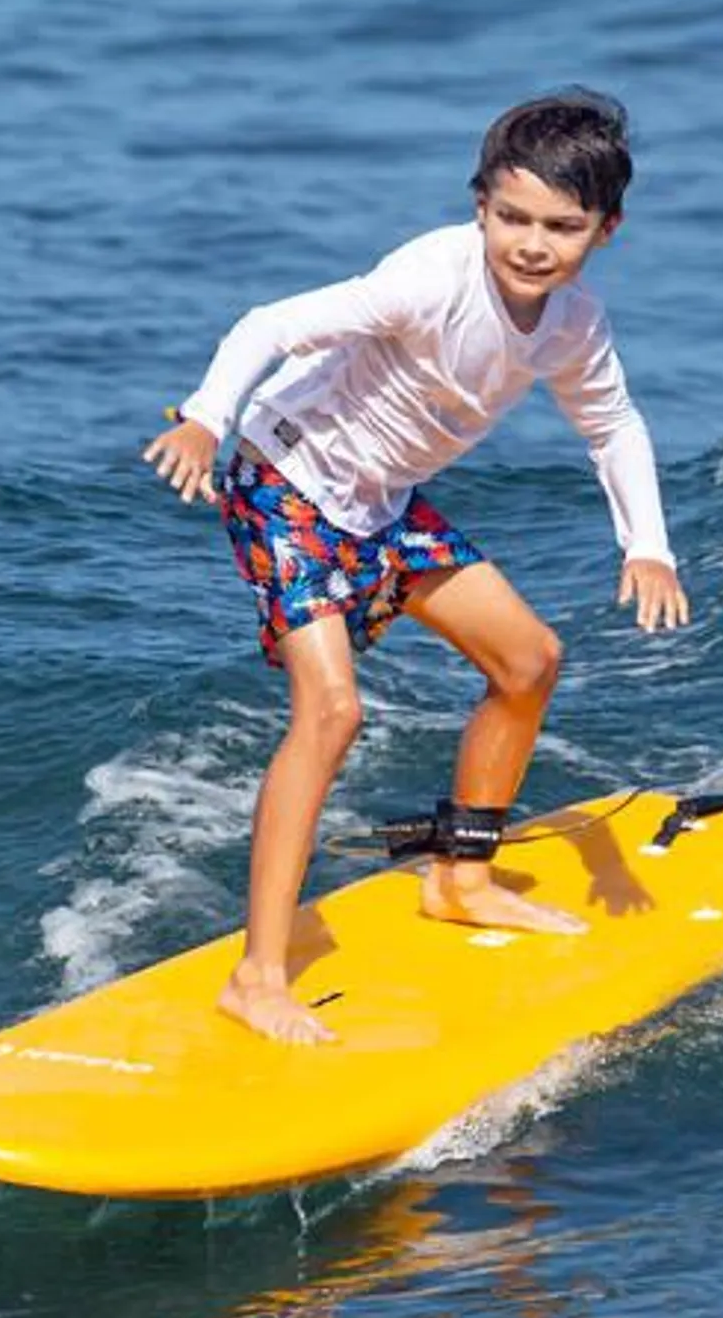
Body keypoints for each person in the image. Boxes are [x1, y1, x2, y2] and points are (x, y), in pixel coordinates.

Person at [142, 90, 690, 1045]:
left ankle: (461, 875)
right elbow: (272, 324)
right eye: (512, 217)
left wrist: (648, 544)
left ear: (607, 231)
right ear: (480, 203)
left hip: (382, 507)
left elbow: (613, 426)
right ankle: (258, 975)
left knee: (528, 663)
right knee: (333, 710)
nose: (531, 243)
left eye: (561, 227)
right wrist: (204, 414)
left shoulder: (573, 324)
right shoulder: (428, 278)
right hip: (284, 480)